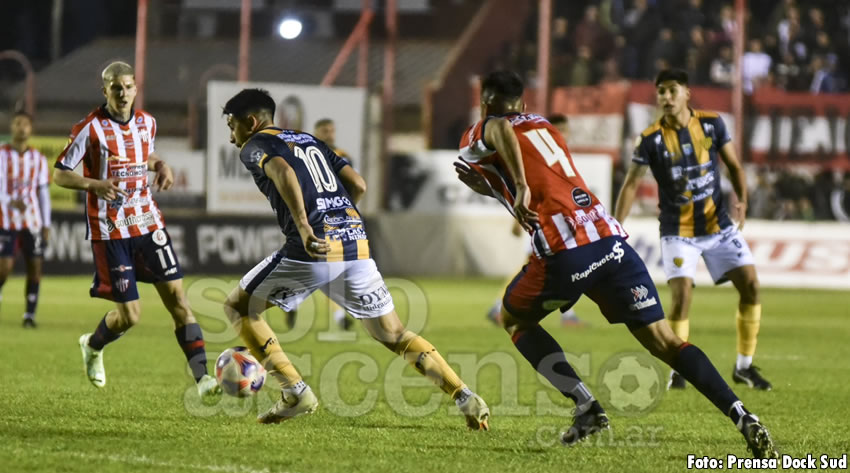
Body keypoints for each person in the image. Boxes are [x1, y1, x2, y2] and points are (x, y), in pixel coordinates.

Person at [455, 71, 777, 457]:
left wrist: (516, 184)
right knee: (666, 342)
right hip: (609, 240)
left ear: (485, 102)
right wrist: (496, 187)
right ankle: (743, 415)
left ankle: (586, 406)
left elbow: (501, 132)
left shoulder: (485, 127)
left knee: (515, 319)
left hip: (565, 249)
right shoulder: (544, 125)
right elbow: (538, 175)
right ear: (525, 103)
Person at [221, 88, 490, 428]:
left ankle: (294, 391)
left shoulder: (255, 145)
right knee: (393, 333)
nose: (232, 138)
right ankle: (465, 397)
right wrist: (340, 219)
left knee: (239, 308)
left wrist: (305, 226)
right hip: (355, 244)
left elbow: (282, 172)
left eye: (232, 126)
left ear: (251, 121)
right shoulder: (309, 140)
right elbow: (358, 184)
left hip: (313, 248)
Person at [53, 61, 219, 397]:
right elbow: (60, 173)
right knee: (130, 316)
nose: (123, 93)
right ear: (105, 91)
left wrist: (161, 164)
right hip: (111, 231)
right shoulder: (90, 128)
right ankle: (93, 345)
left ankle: (203, 378)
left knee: (178, 300)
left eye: (128, 86)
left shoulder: (147, 122)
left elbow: (145, 153)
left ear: (135, 88)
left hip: (148, 223)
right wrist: (94, 184)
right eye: (116, 87)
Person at [614, 69, 772, 391]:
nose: (666, 98)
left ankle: (744, 367)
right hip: (678, 230)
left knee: (752, 287)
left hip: (718, 226)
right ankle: (679, 368)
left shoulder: (712, 124)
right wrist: (616, 228)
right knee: (682, 296)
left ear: (687, 93)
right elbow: (631, 184)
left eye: (672, 91)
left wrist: (742, 199)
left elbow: (734, 165)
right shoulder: (650, 139)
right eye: (661, 92)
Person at [486, 113, 584, 328]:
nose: (564, 135)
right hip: (542, 225)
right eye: (560, 130)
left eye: (565, 131)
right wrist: (518, 221)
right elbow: (529, 189)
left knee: (549, 267)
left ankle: (499, 307)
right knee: (540, 267)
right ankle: (499, 307)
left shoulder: (558, 157)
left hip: (552, 225)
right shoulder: (540, 159)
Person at [0, 111, 51, 328]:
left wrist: (46, 224)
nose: (22, 128)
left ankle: (29, 315)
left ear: (31, 129)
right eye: (18, 123)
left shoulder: (38, 159)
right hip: (5, 220)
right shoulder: (1, 155)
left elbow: (43, 193)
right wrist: (10, 200)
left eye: (25, 124)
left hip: (32, 222)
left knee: (35, 266)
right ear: (11, 127)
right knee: (4, 267)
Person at [313, 118, 353, 330]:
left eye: (331, 130)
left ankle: (339, 315)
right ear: (316, 132)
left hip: (337, 222)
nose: (329, 134)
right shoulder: (303, 156)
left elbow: (350, 187)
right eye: (324, 130)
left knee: (330, 270)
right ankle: (291, 303)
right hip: (311, 220)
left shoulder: (343, 156)